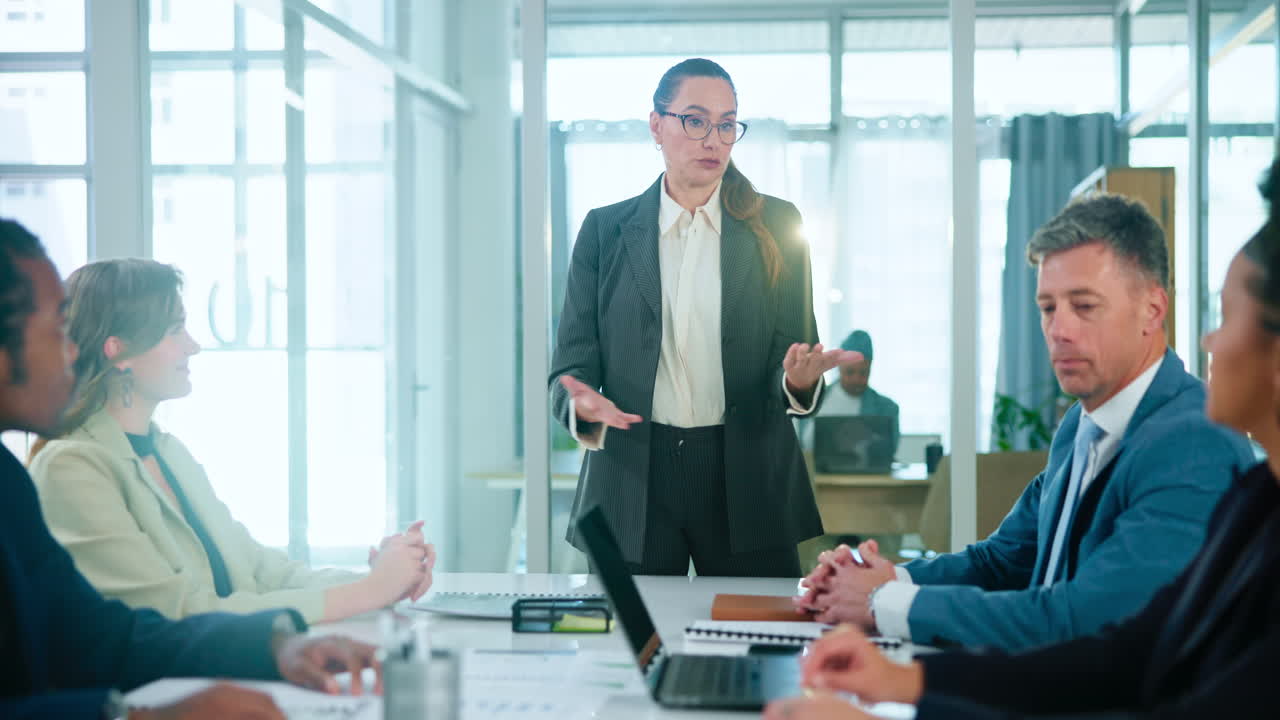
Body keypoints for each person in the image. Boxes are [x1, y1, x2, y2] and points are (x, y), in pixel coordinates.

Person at [766, 156, 1280, 720]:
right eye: (1047, 307)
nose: (1059, 329)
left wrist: (884, 603)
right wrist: (887, 585)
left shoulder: (1190, 444)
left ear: (1152, 309)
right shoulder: (1083, 426)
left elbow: (1086, 629)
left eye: (1083, 306)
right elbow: (1002, 560)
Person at [0, 218, 382, 718]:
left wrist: (274, 647)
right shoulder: (65, 466)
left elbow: (98, 635)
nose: (73, 351)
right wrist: (135, 718)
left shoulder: (8, 483)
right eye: (56, 331)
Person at [549, 58, 860, 577]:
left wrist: (798, 382)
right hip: (633, 478)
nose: (712, 139)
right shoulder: (606, 231)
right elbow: (568, 368)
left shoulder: (777, 224)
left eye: (726, 124)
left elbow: (797, 354)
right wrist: (577, 400)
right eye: (694, 121)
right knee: (633, 651)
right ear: (657, 126)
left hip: (748, 477)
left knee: (758, 649)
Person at [26, 258, 435, 624]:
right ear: (119, 353)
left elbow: (259, 572)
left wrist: (385, 577)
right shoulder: (71, 467)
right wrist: (369, 592)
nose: (194, 346)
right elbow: (178, 613)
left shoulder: (168, 452)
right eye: (174, 330)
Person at [798, 329, 900, 455]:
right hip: (820, 474)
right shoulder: (811, 399)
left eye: (863, 373)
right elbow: (804, 447)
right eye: (850, 372)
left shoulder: (887, 409)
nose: (856, 379)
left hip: (865, 475)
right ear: (838, 366)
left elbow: (887, 453)